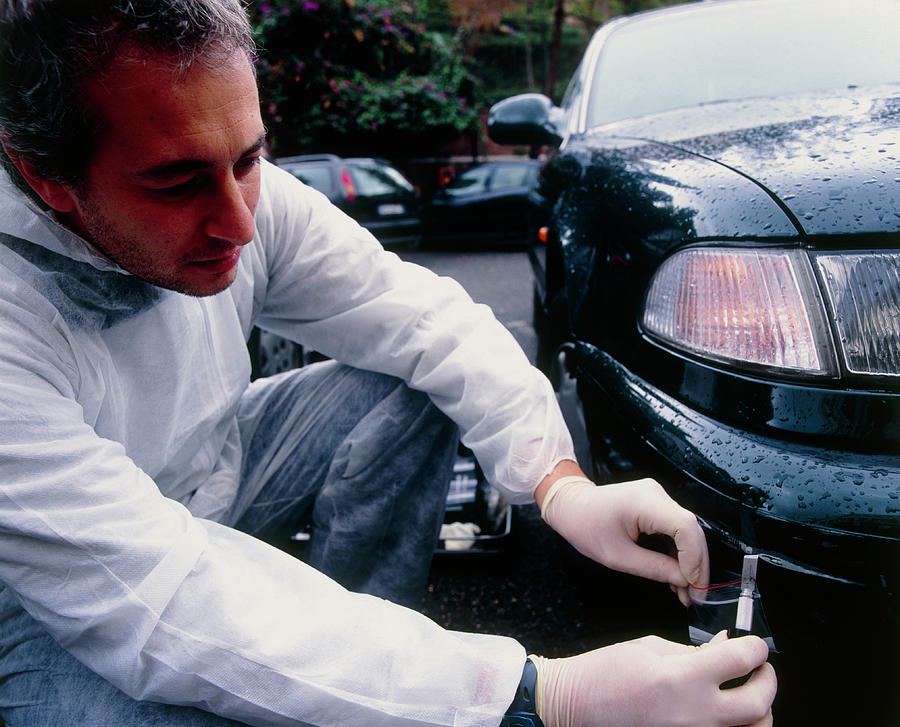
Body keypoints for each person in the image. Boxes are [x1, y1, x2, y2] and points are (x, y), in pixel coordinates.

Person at [0, 1, 776, 725]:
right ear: (46, 176)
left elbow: (422, 318)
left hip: (213, 476)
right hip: (53, 604)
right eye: (177, 182)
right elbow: (162, 601)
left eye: (249, 159)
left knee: (414, 379)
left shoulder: (242, 201)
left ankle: (376, 664)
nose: (239, 221)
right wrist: (544, 694)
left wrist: (557, 482)